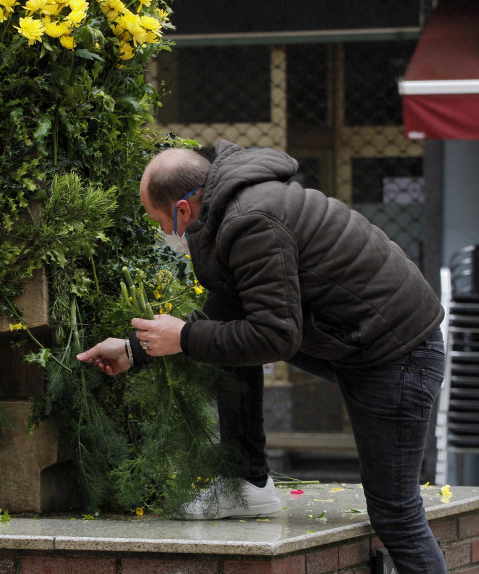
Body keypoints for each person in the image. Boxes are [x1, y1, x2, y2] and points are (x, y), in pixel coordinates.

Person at [77, 140, 446, 574]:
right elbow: (230, 311)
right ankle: (248, 481)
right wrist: (132, 349)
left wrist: (187, 337)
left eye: (160, 222)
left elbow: (274, 335)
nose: (166, 233)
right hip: (360, 342)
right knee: (224, 333)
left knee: (396, 514)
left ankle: (249, 479)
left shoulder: (251, 220)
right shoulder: (235, 209)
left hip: (398, 355)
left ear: (182, 208)